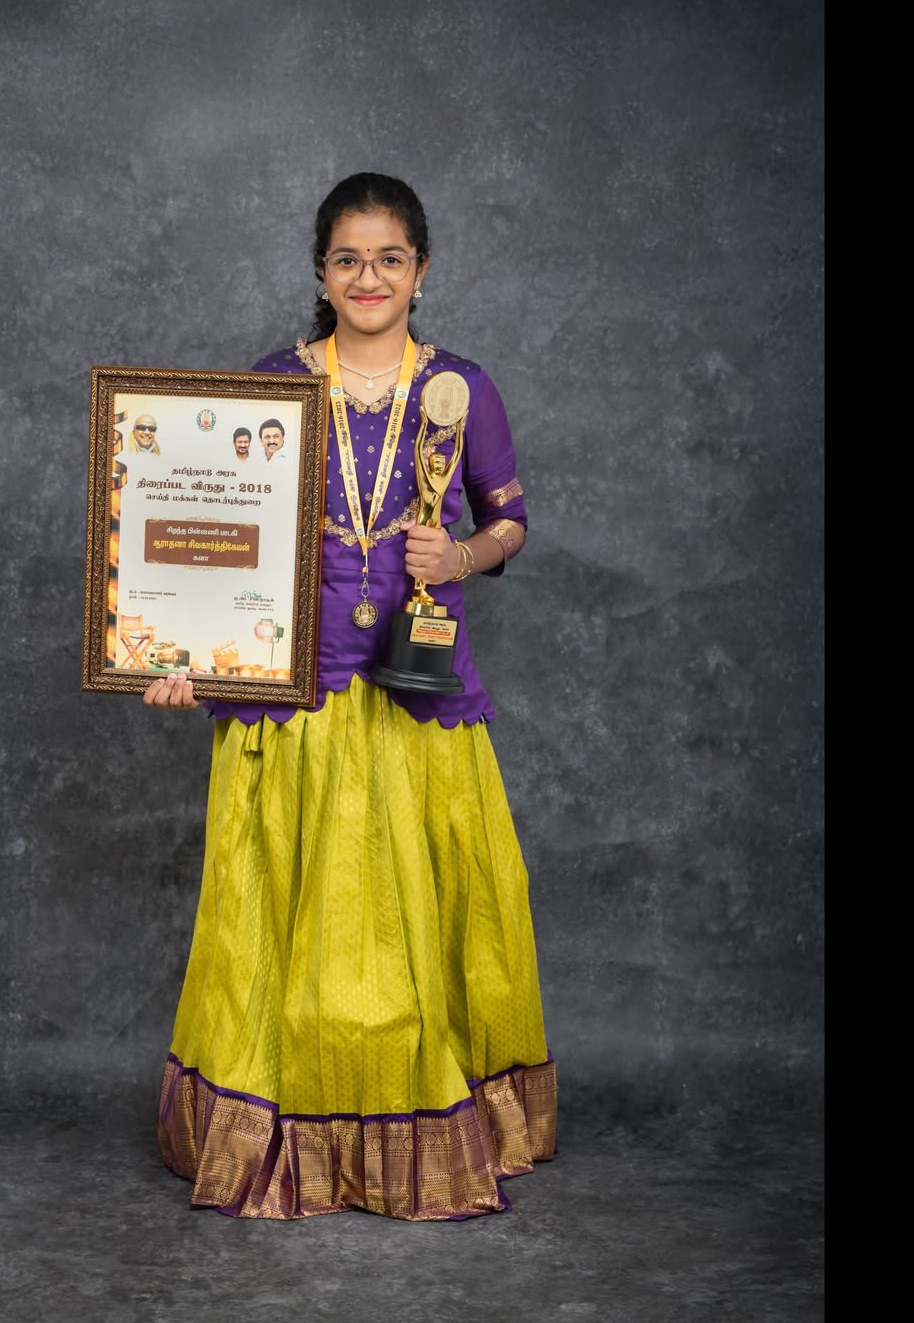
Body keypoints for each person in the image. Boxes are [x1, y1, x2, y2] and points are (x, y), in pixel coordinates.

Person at [144, 172, 556, 1221]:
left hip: (416, 702)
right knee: (286, 929)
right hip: (295, 700)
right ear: (319, 274)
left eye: (388, 259)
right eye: (345, 259)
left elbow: (510, 520)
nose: (367, 277)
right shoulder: (271, 387)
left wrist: (460, 555)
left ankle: (420, 1120)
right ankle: (286, 1134)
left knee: (412, 928)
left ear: (423, 270)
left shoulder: (461, 388)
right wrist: (184, 649)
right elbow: (209, 539)